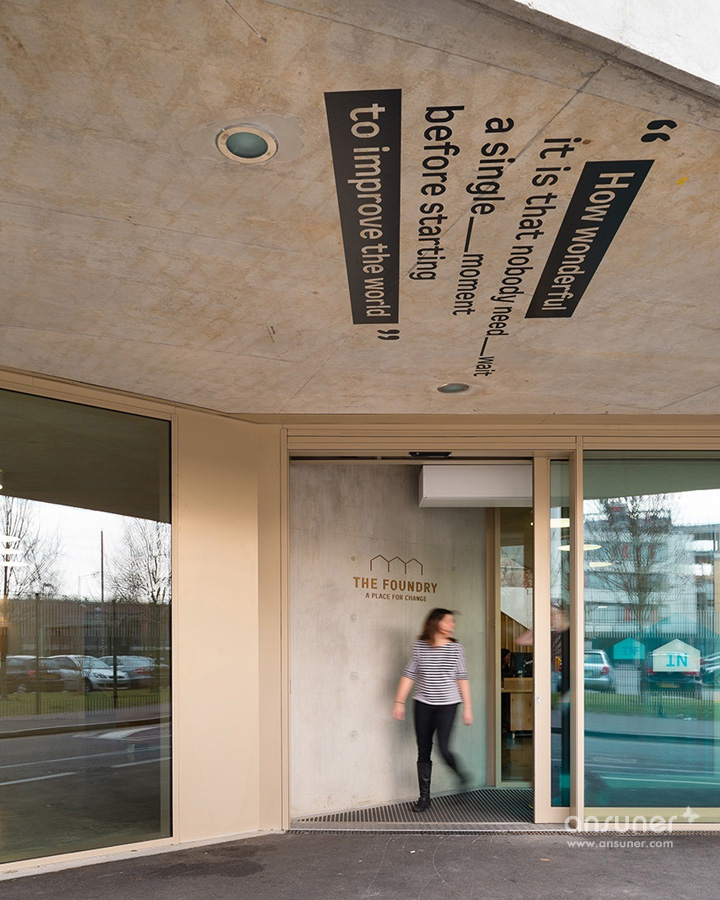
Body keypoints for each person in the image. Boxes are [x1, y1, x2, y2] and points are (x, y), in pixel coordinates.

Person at [392, 607, 473, 813]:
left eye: (453, 621)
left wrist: (468, 707)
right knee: (424, 749)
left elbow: (462, 678)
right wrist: (399, 702)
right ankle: (424, 797)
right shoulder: (420, 647)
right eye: (448, 621)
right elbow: (409, 674)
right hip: (423, 704)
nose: (452, 625)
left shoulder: (456, 648)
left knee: (443, 749)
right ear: (436, 622)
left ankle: (462, 776)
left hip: (448, 704)